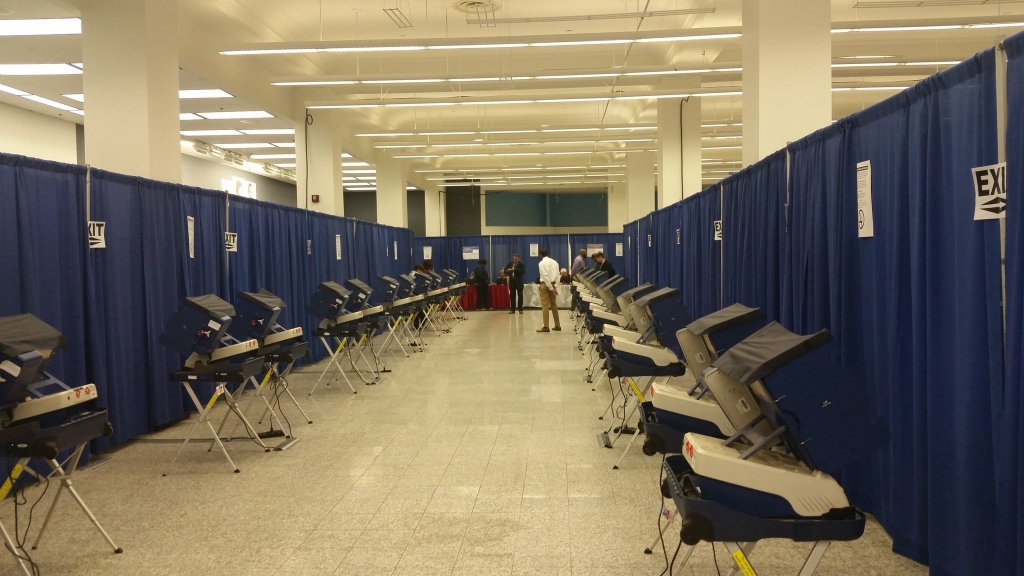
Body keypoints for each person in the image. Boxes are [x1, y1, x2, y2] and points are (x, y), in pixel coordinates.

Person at [536, 248, 561, 332]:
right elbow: (558, 275)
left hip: (545, 285)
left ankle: (546, 326)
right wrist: (555, 286)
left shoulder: (541, 263)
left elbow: (545, 276)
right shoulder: (555, 262)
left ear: (540, 255)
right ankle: (557, 325)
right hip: (553, 284)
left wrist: (550, 288)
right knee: (554, 305)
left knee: (545, 305)